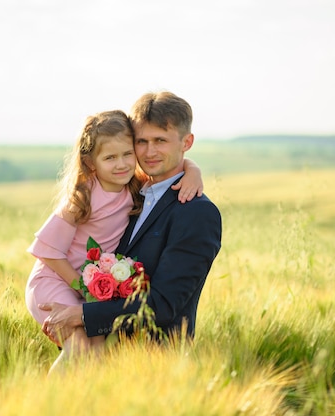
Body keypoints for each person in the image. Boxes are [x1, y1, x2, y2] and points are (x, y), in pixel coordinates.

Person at [25, 109, 204, 371]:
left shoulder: (133, 186)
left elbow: (173, 167)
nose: (121, 164)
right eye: (110, 158)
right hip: (55, 279)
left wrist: (193, 170)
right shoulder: (82, 197)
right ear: (91, 163)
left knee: (99, 350)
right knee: (80, 348)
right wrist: (83, 290)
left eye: (127, 154)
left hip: (87, 288)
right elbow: (47, 251)